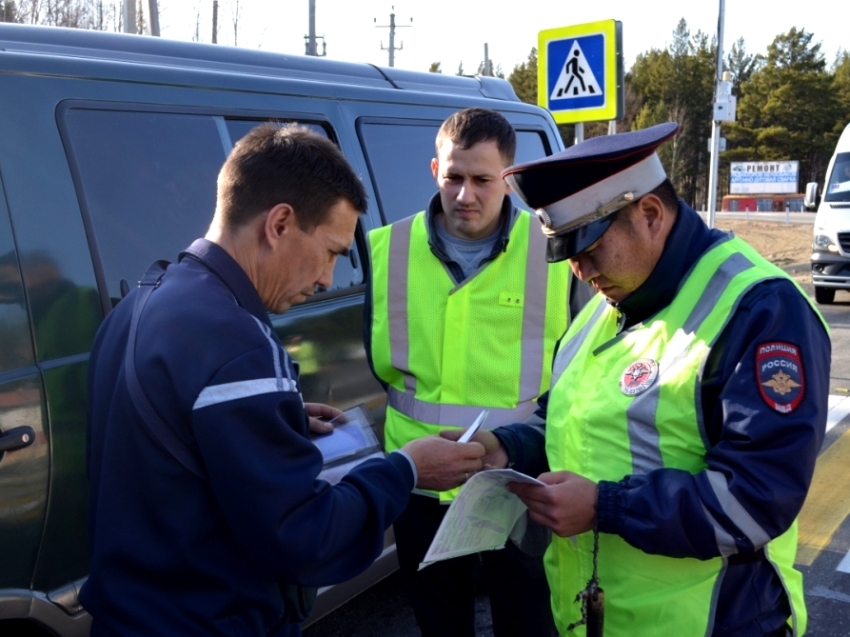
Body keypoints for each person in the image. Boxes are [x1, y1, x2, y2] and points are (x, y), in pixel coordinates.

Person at [81, 123, 485, 637]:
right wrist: (405, 470)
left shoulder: (144, 299)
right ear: (280, 224)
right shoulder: (236, 342)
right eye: (333, 252)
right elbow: (306, 538)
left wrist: (276, 421)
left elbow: (161, 447)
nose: (327, 280)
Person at [460, 122, 830, 637]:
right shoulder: (610, 303)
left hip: (713, 622)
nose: (581, 273)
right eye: (567, 257)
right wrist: (507, 448)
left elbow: (757, 498)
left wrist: (605, 506)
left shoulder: (760, 309)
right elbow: (571, 421)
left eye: (588, 249)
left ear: (650, 215)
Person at [366, 108, 585, 637]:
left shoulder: (556, 252)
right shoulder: (385, 249)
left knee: (529, 622)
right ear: (434, 169)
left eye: (483, 180)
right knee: (440, 625)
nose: (466, 194)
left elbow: (583, 364)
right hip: (420, 483)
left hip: (521, 478)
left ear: (508, 179)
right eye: (454, 177)